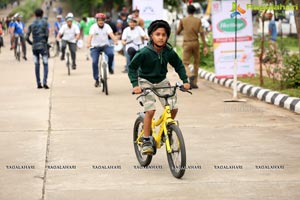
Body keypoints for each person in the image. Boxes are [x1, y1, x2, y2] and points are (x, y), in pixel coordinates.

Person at [128, 20, 190, 155]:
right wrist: (135, 85)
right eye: (157, 34)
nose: (161, 37)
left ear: (167, 36)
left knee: (173, 108)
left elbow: (178, 65)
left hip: (162, 81)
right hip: (145, 82)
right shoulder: (144, 52)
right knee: (150, 111)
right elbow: (132, 68)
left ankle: (165, 131)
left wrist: (185, 80)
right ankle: (146, 140)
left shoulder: (168, 51)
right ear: (151, 36)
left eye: (164, 34)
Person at [177, 5, 208, 89]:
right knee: (196, 63)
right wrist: (205, 46)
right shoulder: (198, 21)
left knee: (185, 63)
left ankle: (190, 75)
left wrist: (183, 29)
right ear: (194, 11)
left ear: (187, 11)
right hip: (196, 43)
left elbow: (178, 31)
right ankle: (194, 83)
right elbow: (202, 33)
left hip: (187, 43)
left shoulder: (183, 20)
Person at [87, 13, 118, 87]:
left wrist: (115, 41)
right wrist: (88, 43)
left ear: (104, 20)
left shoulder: (107, 26)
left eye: (102, 20)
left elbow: (111, 34)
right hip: (95, 47)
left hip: (105, 46)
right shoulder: (93, 27)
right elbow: (90, 36)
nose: (101, 22)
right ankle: (96, 79)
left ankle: (110, 68)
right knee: (94, 62)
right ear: (97, 21)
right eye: (99, 20)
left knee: (111, 54)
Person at [25, 8, 49, 89]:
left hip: (34, 47)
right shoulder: (45, 23)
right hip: (43, 46)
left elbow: (26, 37)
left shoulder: (32, 24)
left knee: (36, 64)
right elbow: (46, 35)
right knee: (45, 63)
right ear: (42, 15)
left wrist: (31, 43)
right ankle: (45, 81)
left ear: (35, 15)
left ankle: (38, 83)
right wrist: (45, 42)